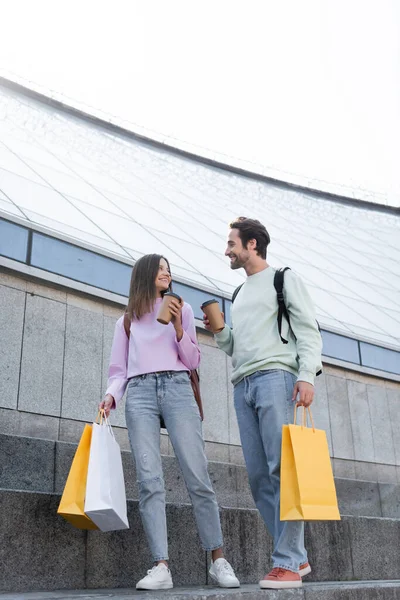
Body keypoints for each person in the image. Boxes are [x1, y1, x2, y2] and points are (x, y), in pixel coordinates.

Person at [99, 253, 239, 591]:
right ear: (146, 274)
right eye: (160, 268)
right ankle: (161, 565)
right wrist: (111, 396)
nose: (167, 273)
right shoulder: (128, 321)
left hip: (177, 387)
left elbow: (192, 359)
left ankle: (217, 560)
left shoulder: (184, 310)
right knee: (149, 481)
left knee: (197, 475)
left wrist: (178, 328)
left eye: (169, 269)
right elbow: (119, 370)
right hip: (141, 393)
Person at [203, 218, 322, 590]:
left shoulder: (283, 280)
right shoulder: (238, 294)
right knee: (258, 478)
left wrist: (305, 374)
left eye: (231, 243)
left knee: (281, 471)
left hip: (277, 378)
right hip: (244, 384)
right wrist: (222, 333)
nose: (227, 250)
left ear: (252, 244)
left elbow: (307, 330)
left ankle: (286, 561)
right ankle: (297, 557)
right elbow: (237, 348)